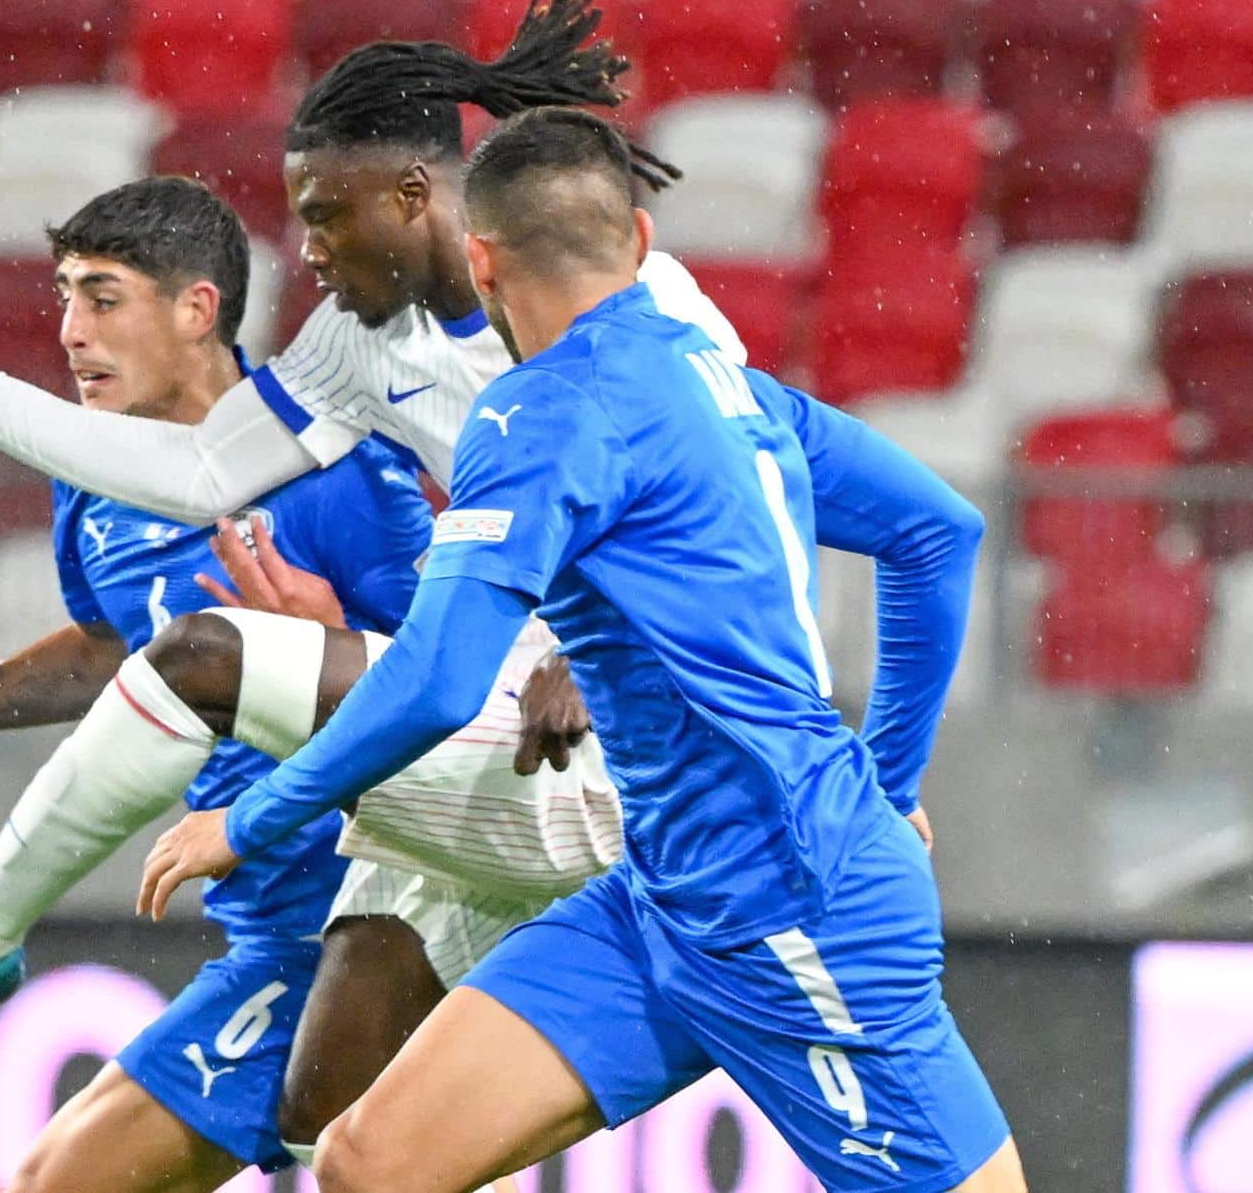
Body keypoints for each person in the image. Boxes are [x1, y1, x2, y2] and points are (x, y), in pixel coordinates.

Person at [0, 0, 740, 1170]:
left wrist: (602, 644)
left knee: (206, 656)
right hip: (492, 717)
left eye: (327, 214)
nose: (306, 246)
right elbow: (205, 468)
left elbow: (749, 496)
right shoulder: (363, 344)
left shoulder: (621, 299)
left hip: (635, 727)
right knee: (326, 1114)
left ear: (416, 196)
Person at [136, 108, 1026, 1192]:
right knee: (370, 1162)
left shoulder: (540, 412)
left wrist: (256, 816)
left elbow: (439, 681)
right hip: (661, 900)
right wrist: (892, 775)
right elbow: (939, 531)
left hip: (795, 907)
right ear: (641, 242)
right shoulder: (728, 382)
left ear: (480, 257)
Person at [0, 176, 435, 1191]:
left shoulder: (339, 474)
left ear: (197, 309)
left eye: (102, 297)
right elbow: (115, 644)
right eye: (63, 297)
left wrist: (333, 637)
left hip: (371, 919)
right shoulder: (94, 474)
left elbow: (459, 676)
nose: (72, 332)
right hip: (267, 920)